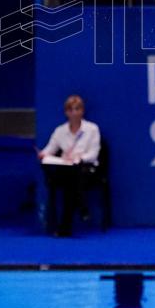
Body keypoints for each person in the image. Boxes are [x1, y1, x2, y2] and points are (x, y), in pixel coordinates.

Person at [38, 95, 101, 237]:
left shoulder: (92, 129)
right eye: (70, 110)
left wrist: (79, 158)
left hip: (86, 169)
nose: (74, 113)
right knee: (70, 178)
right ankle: (82, 206)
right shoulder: (60, 131)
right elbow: (50, 149)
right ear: (66, 112)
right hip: (66, 170)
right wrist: (43, 154)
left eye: (77, 109)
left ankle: (64, 227)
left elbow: (93, 154)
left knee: (73, 178)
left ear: (82, 111)